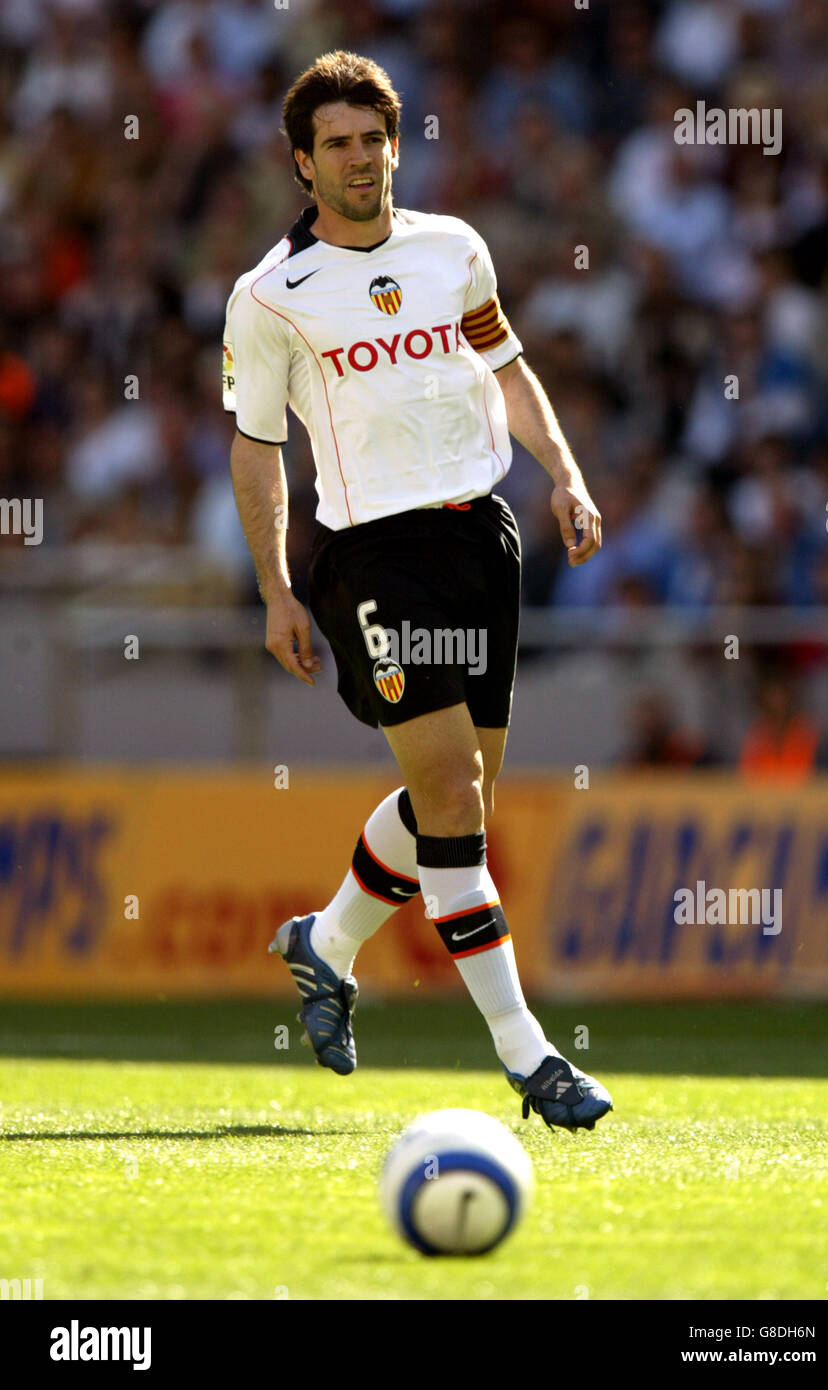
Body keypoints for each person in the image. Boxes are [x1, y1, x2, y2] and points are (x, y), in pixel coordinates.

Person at [224, 51, 612, 1133]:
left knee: (462, 794)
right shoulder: (269, 298)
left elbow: (505, 367)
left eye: (372, 138)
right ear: (302, 164)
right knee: (449, 799)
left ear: (395, 144)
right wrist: (275, 588)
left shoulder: (454, 251)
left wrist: (565, 474)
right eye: (336, 144)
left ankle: (327, 942)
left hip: (479, 537)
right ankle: (530, 1059)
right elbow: (255, 450)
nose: (359, 158)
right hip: (372, 557)